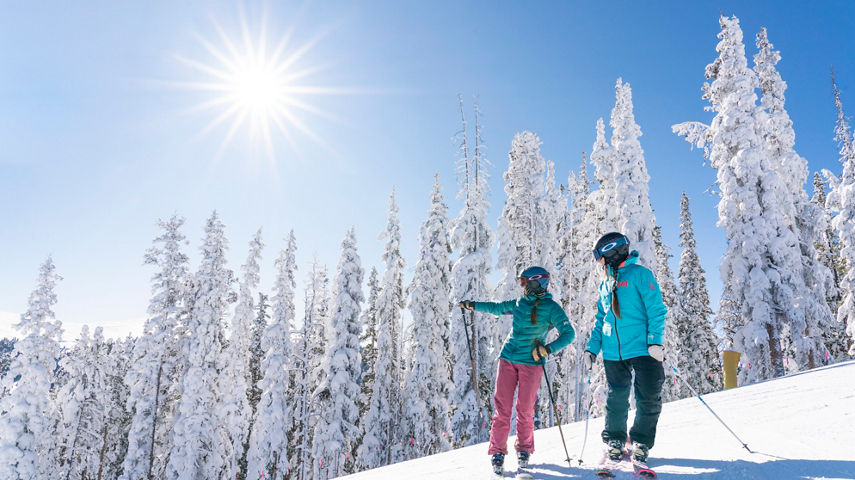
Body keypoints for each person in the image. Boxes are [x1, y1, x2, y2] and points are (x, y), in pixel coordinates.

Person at [459, 266, 575, 475]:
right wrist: (473, 305)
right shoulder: (519, 304)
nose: (522, 286)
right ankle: (497, 452)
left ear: (536, 283)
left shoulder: (551, 308)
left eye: (524, 282)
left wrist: (548, 349)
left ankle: (524, 449)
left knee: (525, 409)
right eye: (521, 283)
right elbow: (496, 308)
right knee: (502, 408)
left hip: (531, 363)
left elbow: (568, 333)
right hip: (507, 359)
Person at [583, 232, 667, 465]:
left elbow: (656, 310)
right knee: (617, 398)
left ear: (611, 251)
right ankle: (616, 440)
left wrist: (655, 341)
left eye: (599, 257)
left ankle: (640, 441)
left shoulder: (641, 275)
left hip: (643, 349)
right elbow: (601, 320)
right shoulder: (605, 284)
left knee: (648, 396)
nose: (599, 262)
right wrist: (592, 349)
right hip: (613, 352)